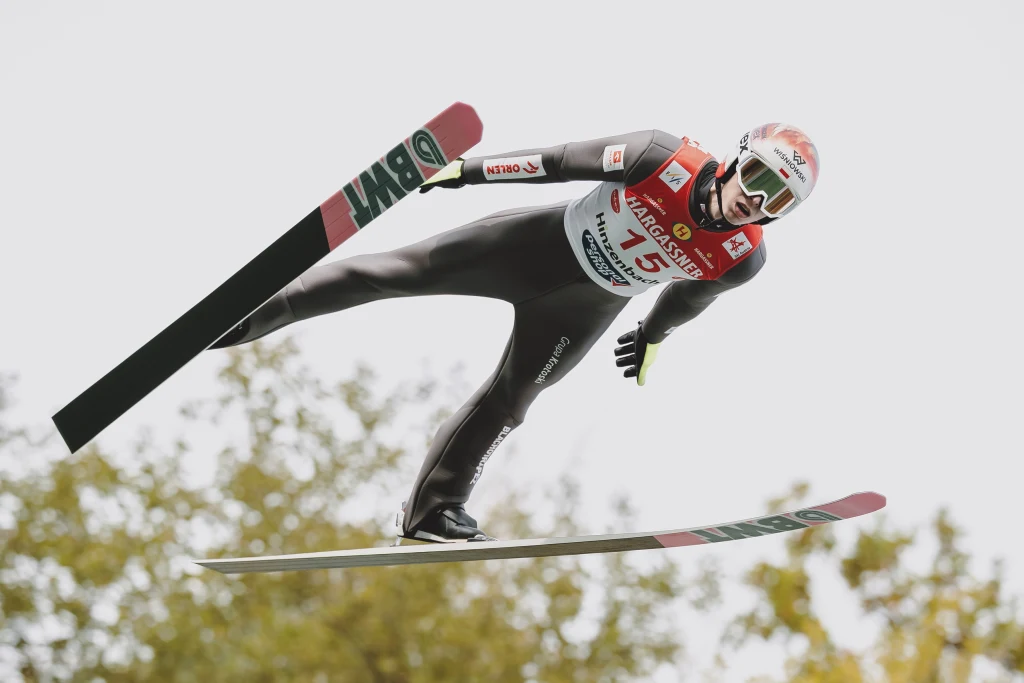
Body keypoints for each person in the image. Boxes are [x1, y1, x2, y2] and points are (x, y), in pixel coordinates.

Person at [209, 123, 821, 543]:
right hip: (530, 248)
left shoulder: (742, 257)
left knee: (512, 401)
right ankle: (244, 316)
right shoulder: (660, 156)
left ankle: (431, 512)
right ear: (739, 157)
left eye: (778, 200)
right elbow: (555, 163)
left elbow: (689, 296)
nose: (757, 200)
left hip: (583, 308)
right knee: (389, 275)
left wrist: (653, 334)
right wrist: (466, 172)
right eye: (759, 177)